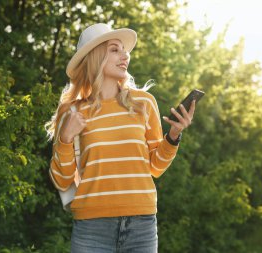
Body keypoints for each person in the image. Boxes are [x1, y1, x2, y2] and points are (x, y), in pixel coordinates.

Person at [45, 23, 196, 253]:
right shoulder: (73, 112)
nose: (125, 55)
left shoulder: (144, 103)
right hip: (92, 228)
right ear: (95, 57)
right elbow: (61, 179)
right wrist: (65, 138)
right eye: (114, 50)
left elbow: (154, 167)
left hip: (142, 225)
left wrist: (173, 136)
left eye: (124, 50)